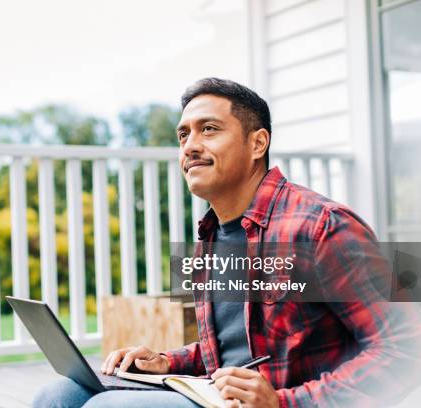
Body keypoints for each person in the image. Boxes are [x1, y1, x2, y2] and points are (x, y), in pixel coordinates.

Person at [33, 78, 421, 408]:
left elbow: (406, 350)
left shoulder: (323, 226)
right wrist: (166, 361)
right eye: (183, 134)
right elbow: (234, 349)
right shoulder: (212, 234)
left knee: (107, 406)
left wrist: (286, 402)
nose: (190, 146)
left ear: (257, 144)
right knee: (58, 394)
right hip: (217, 394)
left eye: (209, 129)